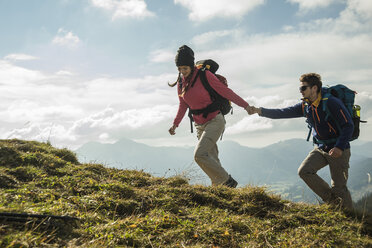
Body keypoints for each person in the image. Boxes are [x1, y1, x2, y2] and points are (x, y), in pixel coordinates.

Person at [249, 73, 354, 209]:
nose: (301, 91)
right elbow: (283, 112)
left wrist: (339, 147)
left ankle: (351, 217)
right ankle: (333, 201)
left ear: (314, 88)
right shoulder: (306, 105)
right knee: (304, 171)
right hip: (321, 148)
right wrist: (260, 111)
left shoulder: (331, 102)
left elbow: (348, 125)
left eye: (303, 88)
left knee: (339, 188)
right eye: (300, 88)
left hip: (339, 149)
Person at [168, 45, 252, 187]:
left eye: (185, 68)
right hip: (199, 124)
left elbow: (226, 92)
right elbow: (183, 104)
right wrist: (175, 124)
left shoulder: (204, 75)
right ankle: (221, 191)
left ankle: (228, 182)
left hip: (215, 120)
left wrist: (246, 105)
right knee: (212, 159)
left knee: (199, 155)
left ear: (191, 66)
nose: (182, 72)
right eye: (179, 69)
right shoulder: (181, 82)